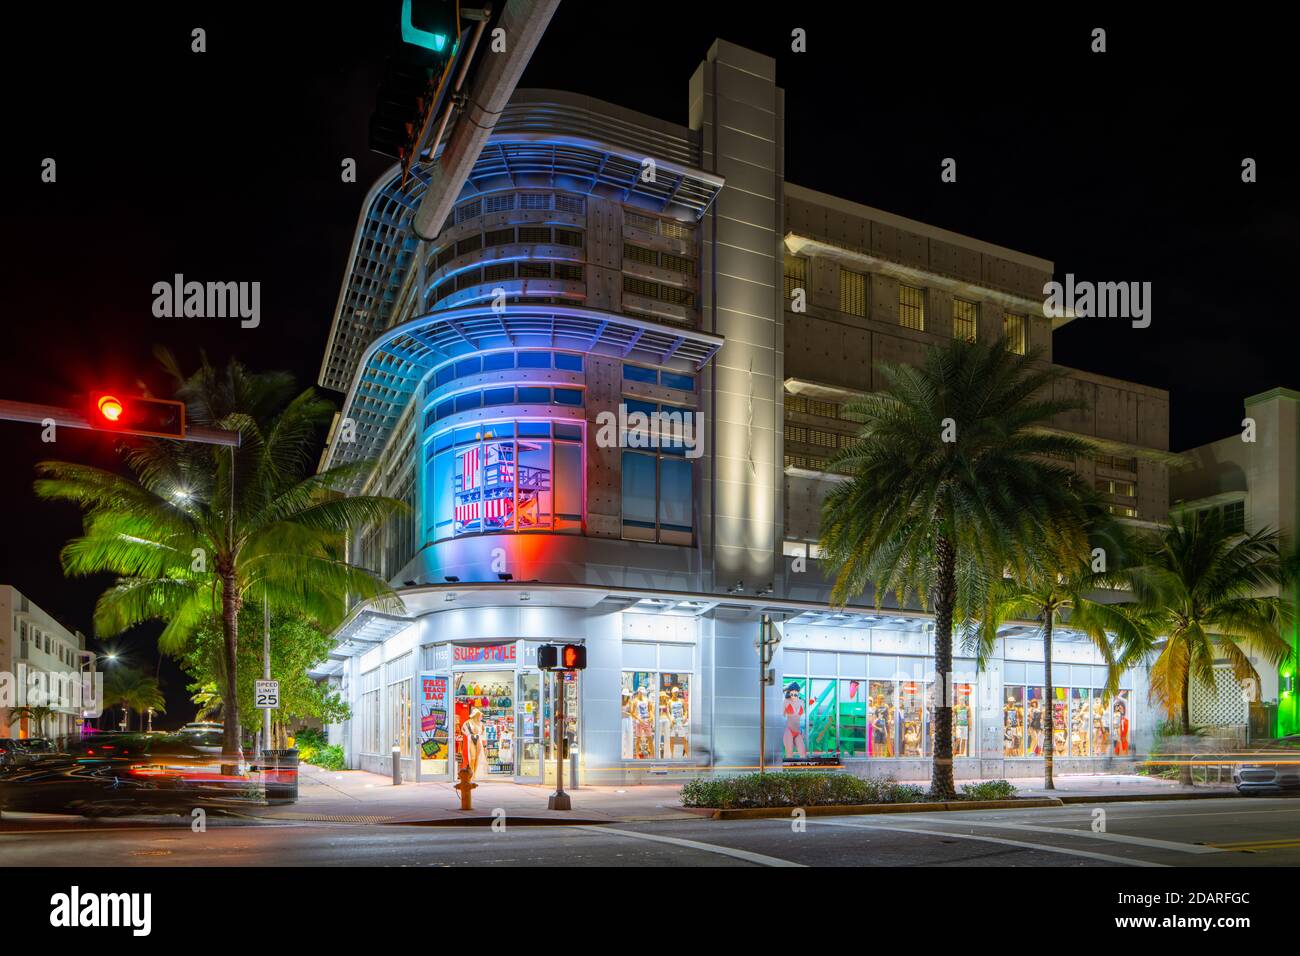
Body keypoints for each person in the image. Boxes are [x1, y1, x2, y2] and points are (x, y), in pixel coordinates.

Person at [461, 707, 487, 778]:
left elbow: (483, 733)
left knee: (477, 758)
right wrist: (468, 734)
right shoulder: (468, 722)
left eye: (479, 714)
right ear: (475, 715)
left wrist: (484, 744)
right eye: (478, 714)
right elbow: (462, 729)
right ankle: (472, 772)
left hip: (478, 740)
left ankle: (474, 773)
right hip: (471, 739)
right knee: (472, 757)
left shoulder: (481, 724)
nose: (479, 716)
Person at [783, 684, 807, 759]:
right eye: (791, 692)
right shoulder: (786, 701)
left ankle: (803, 770)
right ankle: (787, 770)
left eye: (795, 692)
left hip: (798, 731)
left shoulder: (801, 702)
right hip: (788, 730)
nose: (793, 694)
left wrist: (802, 731)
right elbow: (781, 716)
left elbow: (802, 718)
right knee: (789, 753)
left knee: (803, 754)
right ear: (789, 692)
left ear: (798, 692)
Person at [666, 685, 689, 759]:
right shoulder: (669, 701)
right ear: (672, 693)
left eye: (677, 692)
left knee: (684, 739)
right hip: (673, 721)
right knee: (672, 738)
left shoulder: (681, 701)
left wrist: (685, 717)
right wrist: (670, 719)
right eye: (674, 692)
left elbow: (685, 711)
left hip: (680, 721)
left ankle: (688, 755)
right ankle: (672, 755)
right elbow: (668, 712)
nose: (676, 694)